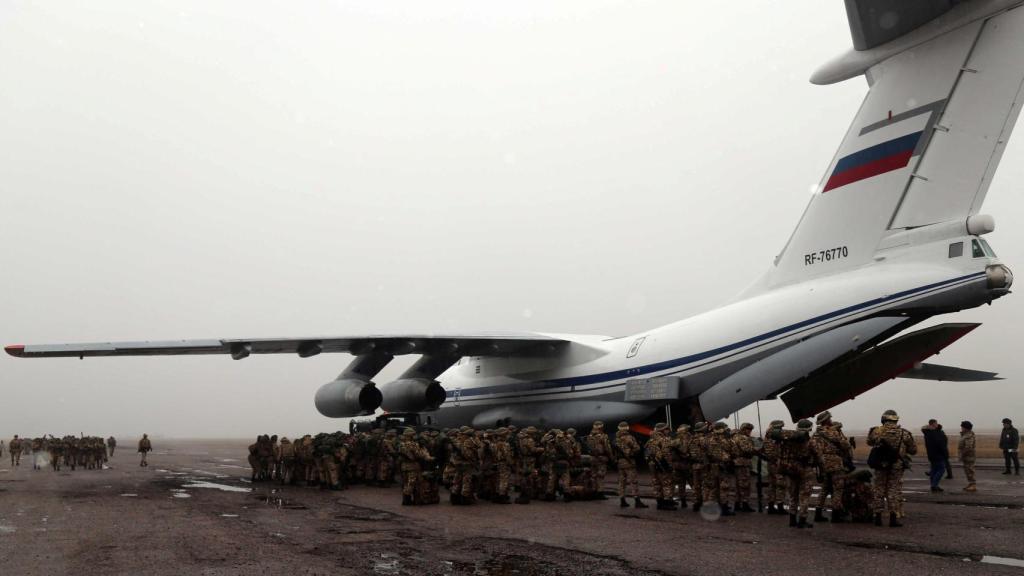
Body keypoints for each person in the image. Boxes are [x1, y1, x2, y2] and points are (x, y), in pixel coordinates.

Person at [867, 409, 917, 527]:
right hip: (896, 466)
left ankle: (878, 517)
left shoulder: (876, 431)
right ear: (896, 420)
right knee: (893, 490)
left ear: (883, 419)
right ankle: (893, 518)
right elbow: (913, 450)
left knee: (878, 489)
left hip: (880, 465)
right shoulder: (904, 433)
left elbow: (869, 442)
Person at [772, 419, 819, 528]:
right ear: (809, 428)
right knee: (804, 496)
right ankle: (802, 520)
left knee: (793, 496)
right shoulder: (809, 441)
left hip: (790, 469)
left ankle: (792, 520)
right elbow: (818, 455)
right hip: (805, 470)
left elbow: (777, 452)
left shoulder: (788, 439)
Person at [812, 411, 853, 523]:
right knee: (838, 489)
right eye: (829, 418)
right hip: (835, 463)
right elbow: (846, 445)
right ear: (827, 420)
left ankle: (818, 513)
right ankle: (836, 515)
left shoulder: (816, 434)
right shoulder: (833, 432)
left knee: (825, 489)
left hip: (823, 464)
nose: (831, 420)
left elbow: (813, 448)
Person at [613, 422, 647, 508]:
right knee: (633, 481)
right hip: (629, 462)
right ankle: (637, 500)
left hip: (620, 462)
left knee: (622, 482)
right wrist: (631, 453)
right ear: (627, 428)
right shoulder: (629, 437)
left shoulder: (616, 439)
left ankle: (622, 500)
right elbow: (637, 448)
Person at [645, 423, 676, 510]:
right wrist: (669, 465)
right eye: (666, 429)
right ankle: (667, 503)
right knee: (667, 483)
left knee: (656, 483)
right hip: (662, 464)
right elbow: (666, 454)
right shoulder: (663, 440)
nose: (668, 431)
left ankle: (660, 502)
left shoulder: (650, 440)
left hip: (652, 464)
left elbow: (646, 452)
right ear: (662, 430)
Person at [731, 423, 757, 513]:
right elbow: (747, 449)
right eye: (748, 430)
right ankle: (745, 504)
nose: (749, 431)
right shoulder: (742, 438)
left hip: (738, 463)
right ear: (743, 430)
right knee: (745, 484)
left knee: (738, 485)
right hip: (743, 463)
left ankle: (737, 504)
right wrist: (755, 449)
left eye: (750, 430)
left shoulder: (735, 437)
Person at [586, 421, 612, 500]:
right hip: (601, 458)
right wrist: (611, 456)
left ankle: (593, 491)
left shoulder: (589, 436)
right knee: (600, 476)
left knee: (593, 475)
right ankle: (600, 492)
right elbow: (607, 448)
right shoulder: (603, 436)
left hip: (592, 458)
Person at [921, 419, 949, 492]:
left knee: (934, 470)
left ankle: (933, 485)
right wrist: (945, 453)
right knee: (941, 469)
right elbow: (940, 444)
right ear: (933, 424)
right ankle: (934, 485)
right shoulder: (935, 433)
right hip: (938, 454)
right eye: (936, 423)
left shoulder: (927, 432)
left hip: (931, 454)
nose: (937, 424)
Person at [958, 421, 977, 492]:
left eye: (962, 427)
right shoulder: (965, 435)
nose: (961, 428)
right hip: (966, 456)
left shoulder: (968, 436)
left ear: (966, 428)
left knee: (970, 470)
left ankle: (973, 485)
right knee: (967, 471)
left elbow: (968, 447)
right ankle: (970, 484)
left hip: (969, 456)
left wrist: (962, 454)